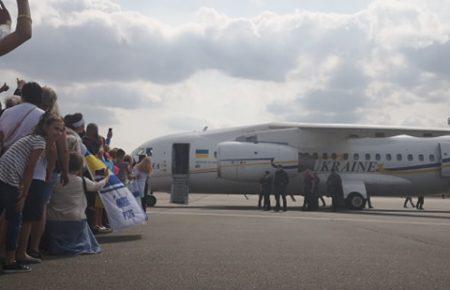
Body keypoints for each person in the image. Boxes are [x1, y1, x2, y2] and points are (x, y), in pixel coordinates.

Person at [0, 112, 62, 273]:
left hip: (5, 175)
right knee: (15, 218)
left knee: (8, 217)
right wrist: (24, 193)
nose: (58, 133)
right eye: (55, 128)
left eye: (61, 130)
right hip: (8, 178)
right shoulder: (39, 141)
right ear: (45, 126)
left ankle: (9, 257)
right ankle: (10, 261)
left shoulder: (34, 138)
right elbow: (30, 168)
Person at [45, 153, 108, 255]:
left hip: (53, 220)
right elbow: (97, 186)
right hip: (75, 220)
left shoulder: (55, 179)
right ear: (79, 167)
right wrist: (106, 179)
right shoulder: (81, 181)